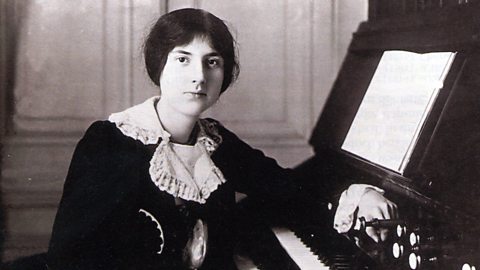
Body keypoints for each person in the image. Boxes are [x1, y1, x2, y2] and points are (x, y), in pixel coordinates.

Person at [46, 8, 397, 270]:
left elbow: (289, 186)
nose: (198, 76)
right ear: (159, 66)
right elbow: (68, 256)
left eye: (212, 62)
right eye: (182, 59)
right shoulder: (110, 140)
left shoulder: (214, 142)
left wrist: (357, 191)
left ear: (225, 74)